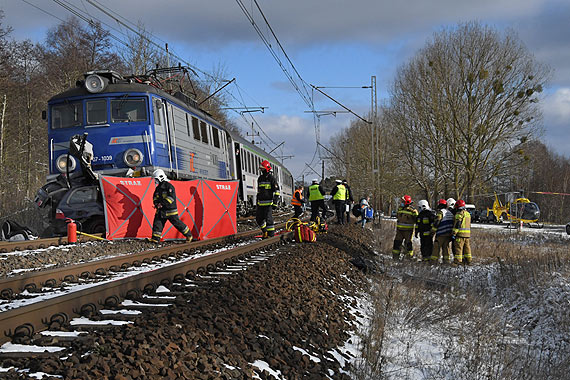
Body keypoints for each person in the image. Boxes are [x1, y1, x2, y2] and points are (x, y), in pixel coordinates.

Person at [149, 169, 193, 243]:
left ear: (161, 177)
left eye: (156, 179)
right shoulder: (158, 188)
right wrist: (156, 204)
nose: (155, 181)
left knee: (178, 224)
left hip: (170, 211)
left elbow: (171, 198)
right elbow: (155, 197)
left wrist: (162, 204)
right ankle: (155, 239)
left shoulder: (169, 186)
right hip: (161, 211)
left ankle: (189, 235)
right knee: (157, 223)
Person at [256, 160, 280, 238]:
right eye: (261, 169)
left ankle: (271, 236)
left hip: (269, 203)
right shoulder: (260, 178)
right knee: (259, 219)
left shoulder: (271, 178)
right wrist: (257, 202)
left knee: (269, 220)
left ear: (267, 169)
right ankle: (265, 231)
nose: (262, 170)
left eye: (263, 169)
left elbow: (277, 191)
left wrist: (275, 203)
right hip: (261, 203)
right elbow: (259, 191)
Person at [392, 195, 418, 260]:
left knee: (408, 244)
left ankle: (408, 258)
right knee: (397, 243)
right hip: (399, 231)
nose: (401, 203)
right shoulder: (400, 209)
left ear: (407, 202)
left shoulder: (413, 210)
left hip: (408, 231)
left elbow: (417, 220)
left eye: (403, 201)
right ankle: (395, 257)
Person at [429, 199, 454, 263]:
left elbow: (437, 222)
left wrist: (432, 232)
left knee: (436, 247)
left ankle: (433, 261)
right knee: (446, 248)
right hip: (448, 234)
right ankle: (446, 261)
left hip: (441, 234)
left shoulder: (440, 212)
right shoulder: (450, 213)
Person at [452, 199, 472, 264]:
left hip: (460, 235)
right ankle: (468, 260)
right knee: (467, 248)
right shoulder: (468, 214)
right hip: (467, 235)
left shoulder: (459, 214)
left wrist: (454, 233)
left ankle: (458, 262)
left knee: (458, 248)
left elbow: (458, 224)